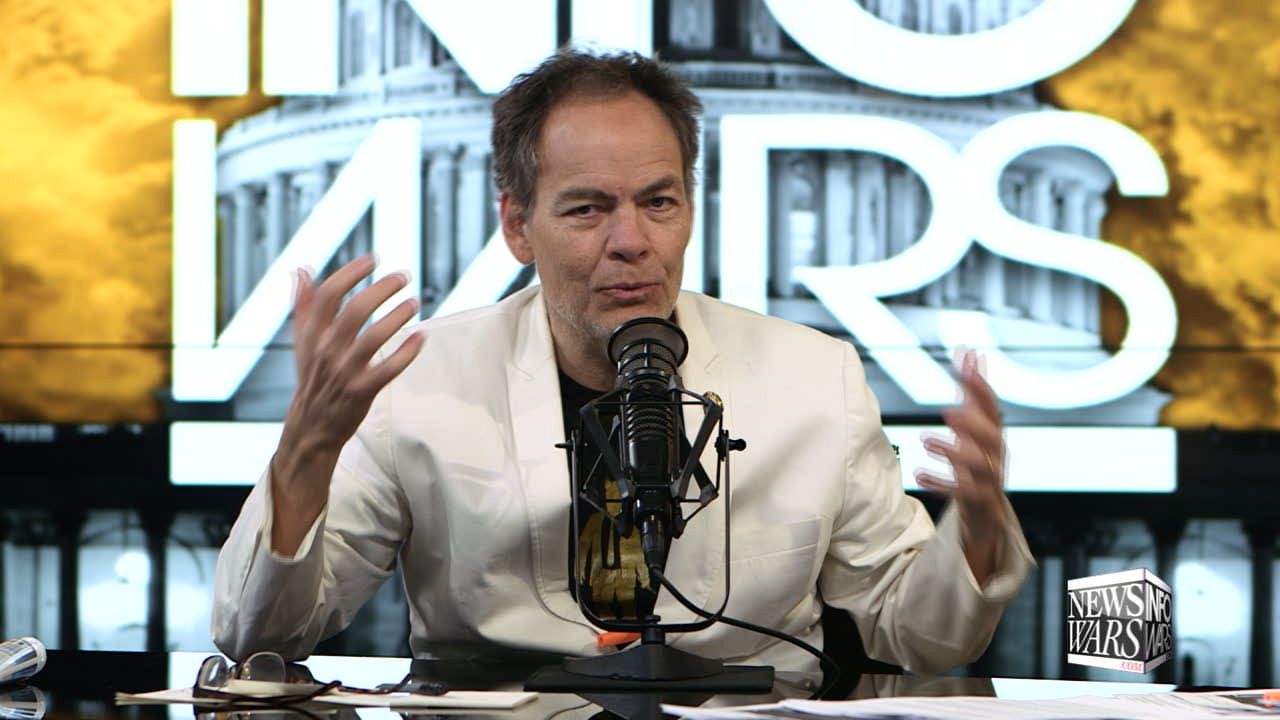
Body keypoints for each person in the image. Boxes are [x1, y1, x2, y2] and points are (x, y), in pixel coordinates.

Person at [212, 49, 1032, 674]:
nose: (632, 241)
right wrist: (306, 453)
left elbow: (924, 638)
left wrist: (978, 532)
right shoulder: (420, 380)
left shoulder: (815, 378)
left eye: (658, 202)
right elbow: (260, 637)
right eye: (588, 209)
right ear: (518, 225)